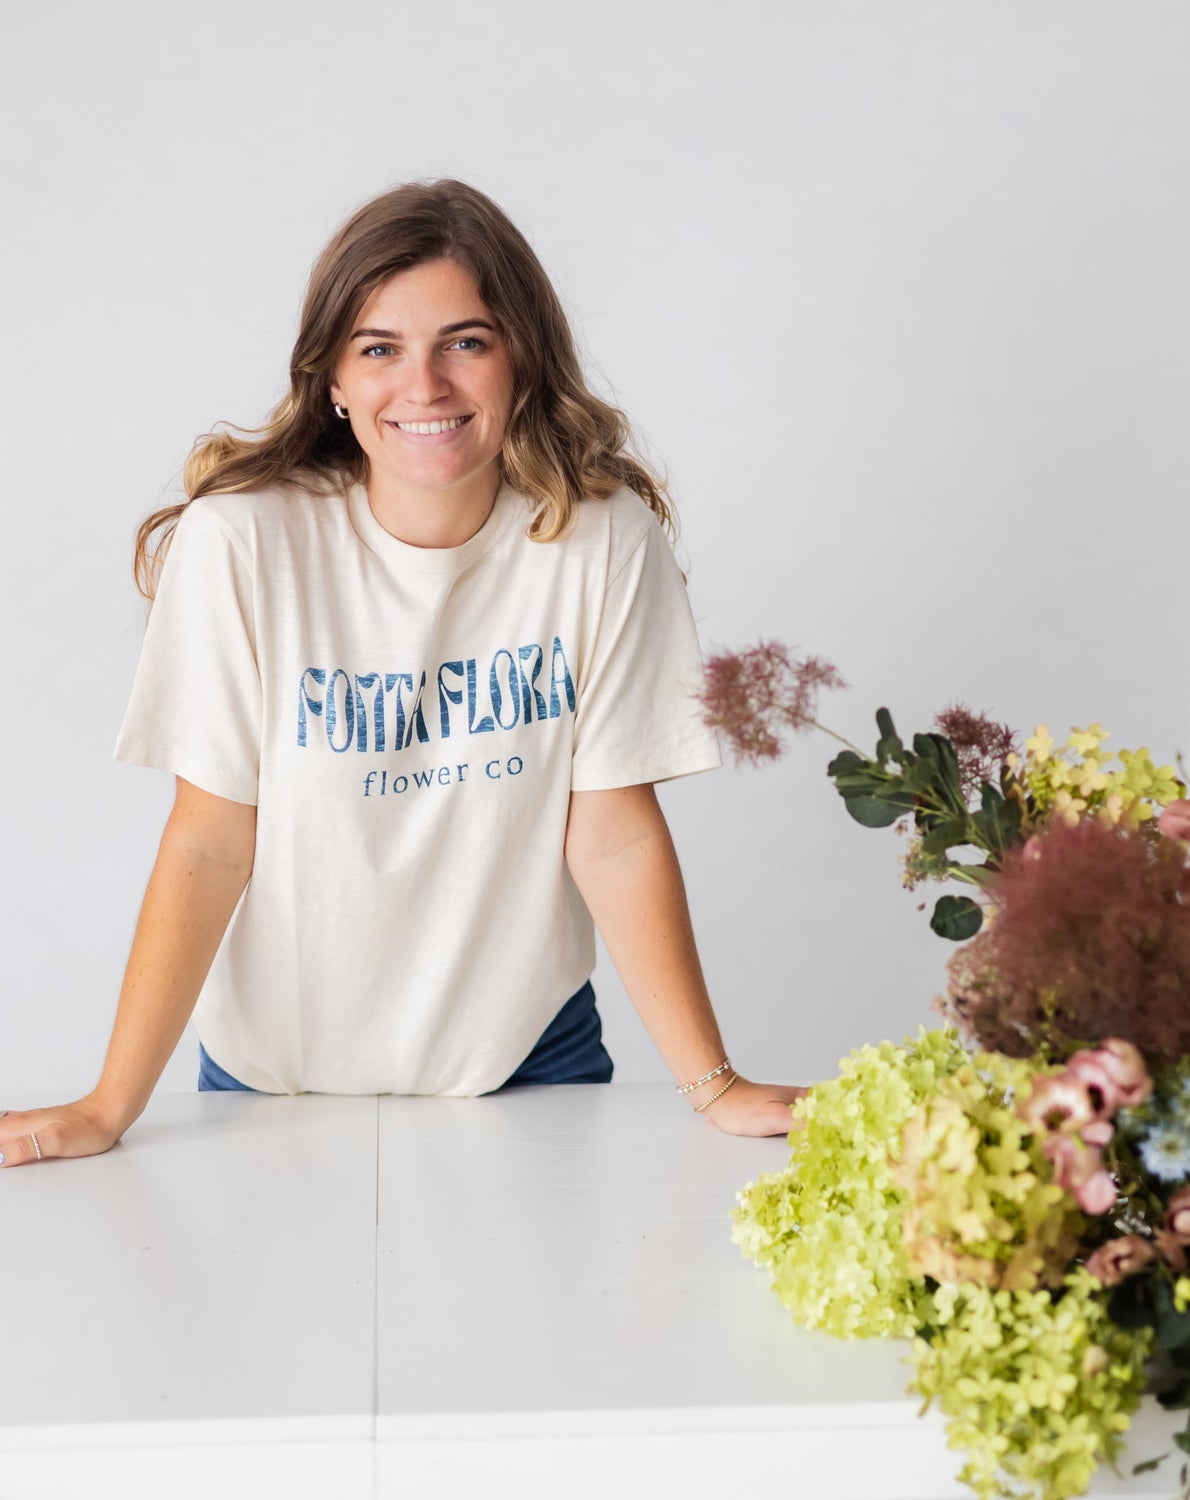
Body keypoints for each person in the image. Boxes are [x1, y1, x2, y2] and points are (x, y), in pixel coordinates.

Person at [0, 177, 808, 1170]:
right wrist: (106, 1106)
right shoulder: (244, 544)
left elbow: (611, 831)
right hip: (271, 1074)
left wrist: (714, 1086)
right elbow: (210, 840)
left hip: (527, 1059)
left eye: (465, 342)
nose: (423, 386)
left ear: (522, 361)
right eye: (380, 349)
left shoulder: (601, 541)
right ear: (333, 378)